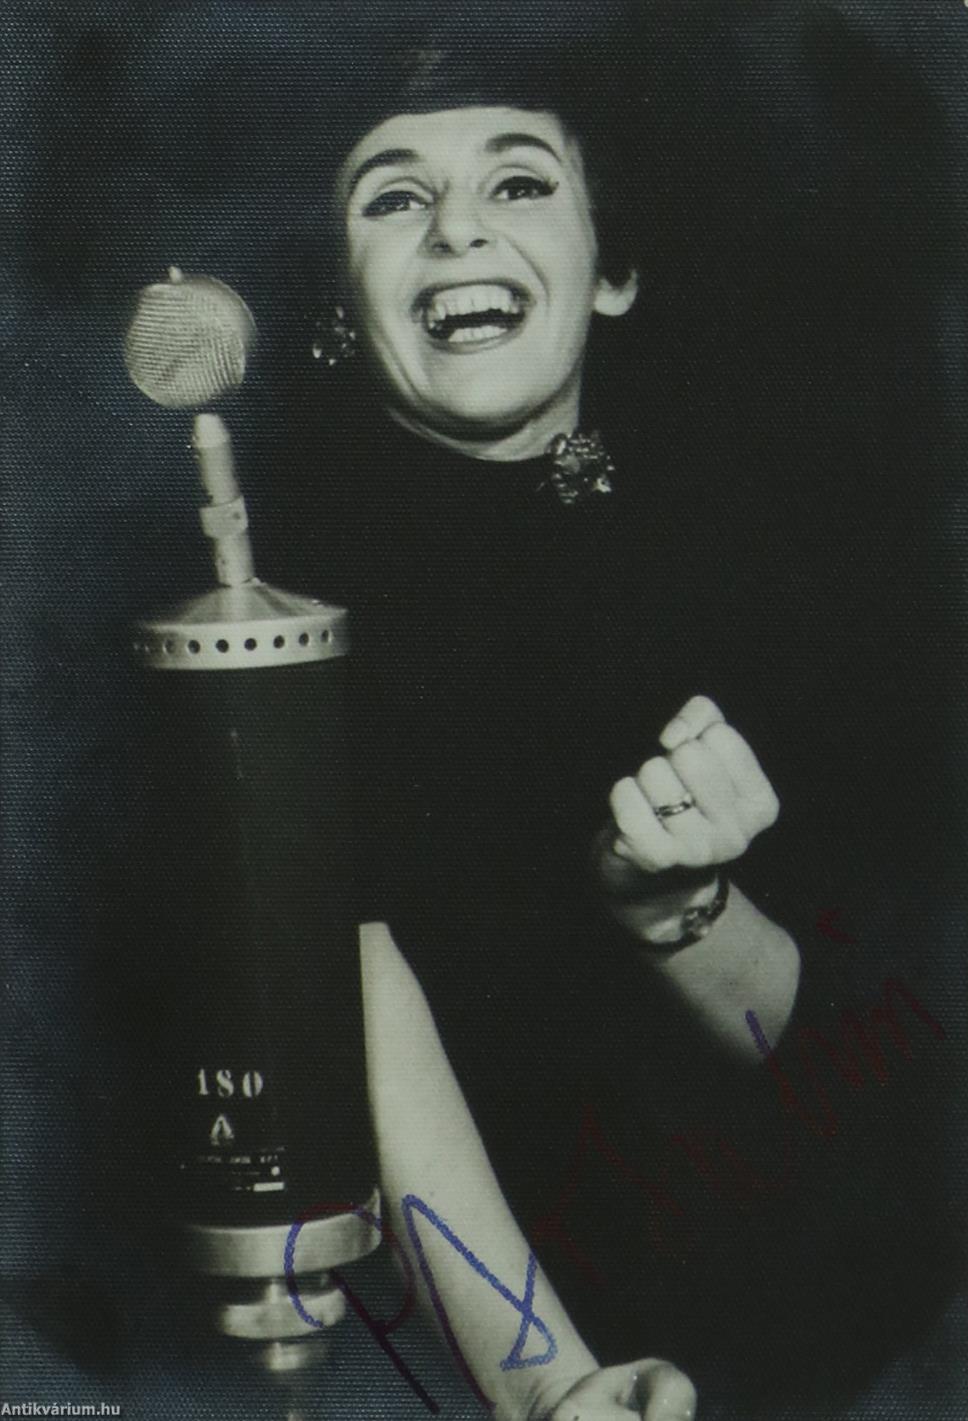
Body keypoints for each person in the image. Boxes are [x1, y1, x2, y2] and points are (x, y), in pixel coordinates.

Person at [253, 37, 963, 1421]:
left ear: (612, 271)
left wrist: (678, 915)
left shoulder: (761, 556)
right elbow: (344, 994)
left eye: (518, 182)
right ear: (340, 303)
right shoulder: (275, 610)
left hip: (806, 1321)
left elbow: (847, 1049)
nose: (458, 227)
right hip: (493, 1343)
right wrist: (551, 1387)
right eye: (393, 196)